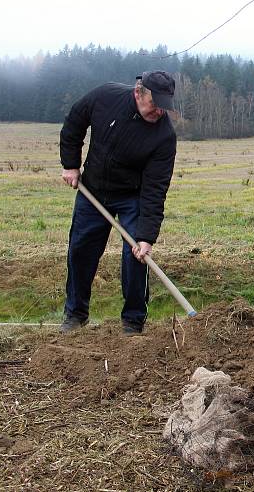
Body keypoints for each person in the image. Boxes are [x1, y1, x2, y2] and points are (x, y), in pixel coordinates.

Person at [59, 71, 178, 335]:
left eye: (164, 106)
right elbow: (74, 122)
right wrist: (70, 164)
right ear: (138, 92)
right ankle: (76, 314)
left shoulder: (164, 137)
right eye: (154, 104)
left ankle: (133, 321)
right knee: (80, 250)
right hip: (93, 190)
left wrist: (146, 236)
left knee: (137, 255)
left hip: (132, 196)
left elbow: (155, 189)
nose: (159, 111)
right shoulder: (106, 96)